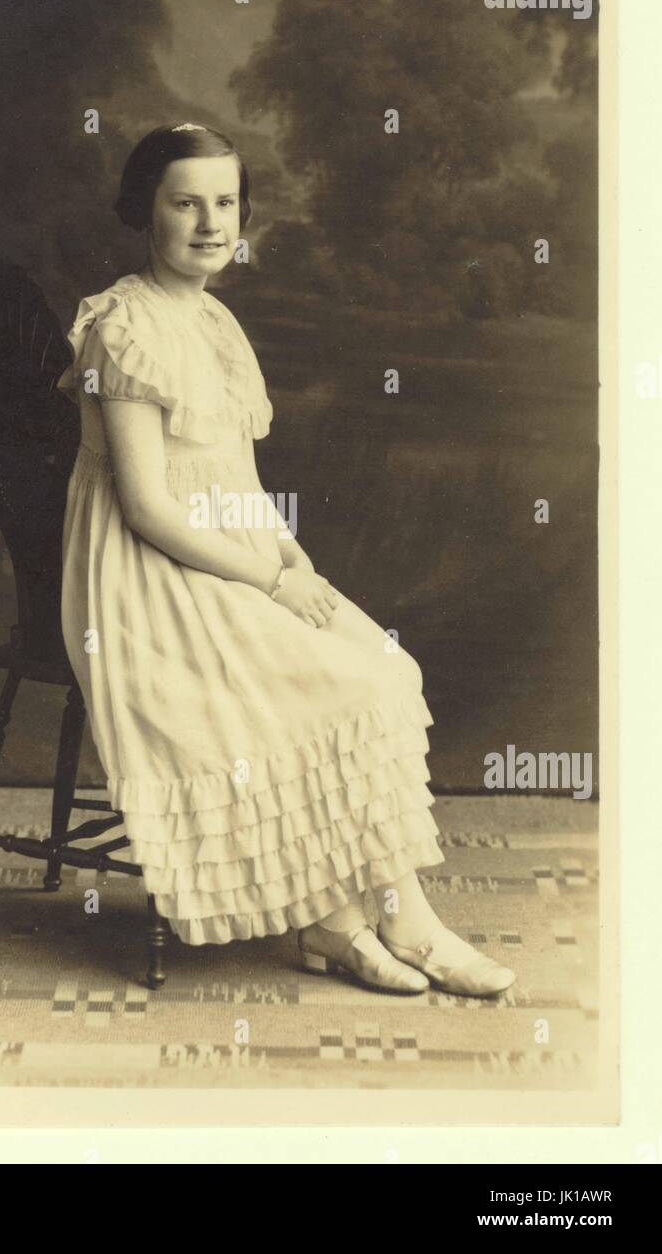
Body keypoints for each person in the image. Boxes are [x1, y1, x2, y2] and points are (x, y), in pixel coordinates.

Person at [57, 122, 515, 998]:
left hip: (225, 548)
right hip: (141, 576)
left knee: (380, 668)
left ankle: (346, 924)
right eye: (183, 202)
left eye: (223, 203)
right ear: (142, 212)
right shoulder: (122, 326)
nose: (208, 223)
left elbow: (234, 478)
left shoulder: (215, 321)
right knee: (339, 685)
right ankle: (383, 925)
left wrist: (293, 562)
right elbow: (150, 507)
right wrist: (266, 580)